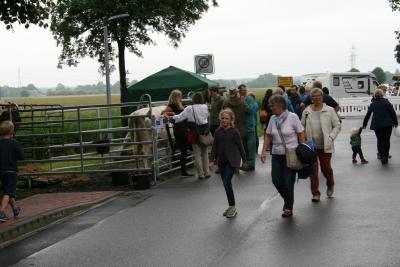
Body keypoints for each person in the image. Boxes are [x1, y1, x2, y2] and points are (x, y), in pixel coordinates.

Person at [260, 95, 305, 218]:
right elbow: (268, 135)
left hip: (291, 154)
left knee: (288, 182)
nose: (270, 107)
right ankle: (288, 199)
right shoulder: (272, 118)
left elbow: (301, 133)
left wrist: (302, 149)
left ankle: (288, 207)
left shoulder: (293, 117)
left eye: (272, 105)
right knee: (276, 180)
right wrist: (263, 151)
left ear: (280, 105)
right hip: (276, 154)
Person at [301, 88, 341, 202]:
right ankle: (315, 193)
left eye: (319, 96)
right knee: (313, 171)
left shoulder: (329, 110)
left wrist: (331, 137)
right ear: (311, 98)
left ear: (322, 97)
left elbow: (337, 125)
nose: (316, 98)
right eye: (314, 96)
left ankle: (330, 184)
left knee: (326, 169)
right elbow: (301, 126)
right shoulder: (306, 111)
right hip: (310, 146)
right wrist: (303, 140)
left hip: (325, 144)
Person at [210, 108, 247, 218]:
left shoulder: (234, 131)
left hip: (233, 161)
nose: (224, 120)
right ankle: (231, 206)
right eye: (223, 118)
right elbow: (214, 147)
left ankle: (233, 207)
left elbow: (240, 147)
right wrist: (211, 161)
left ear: (231, 120)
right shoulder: (217, 131)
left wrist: (244, 161)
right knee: (227, 184)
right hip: (222, 161)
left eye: (227, 118)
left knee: (226, 182)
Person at [171, 92, 210, 179]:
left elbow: (179, 117)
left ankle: (201, 174)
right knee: (205, 153)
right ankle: (207, 172)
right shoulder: (205, 107)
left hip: (194, 132)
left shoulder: (189, 108)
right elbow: (207, 117)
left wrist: (171, 117)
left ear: (193, 99)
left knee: (197, 154)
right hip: (204, 132)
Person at [162, 90, 193, 177]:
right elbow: (163, 113)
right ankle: (184, 171)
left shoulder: (181, 103)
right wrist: (173, 113)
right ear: (175, 97)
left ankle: (185, 170)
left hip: (185, 128)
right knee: (183, 150)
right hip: (179, 129)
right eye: (179, 96)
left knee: (186, 149)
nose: (181, 97)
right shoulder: (171, 105)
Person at [363, 89, 398, 165]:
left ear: (375, 95)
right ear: (382, 94)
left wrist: (364, 124)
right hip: (388, 125)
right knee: (387, 140)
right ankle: (386, 155)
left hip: (377, 125)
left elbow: (368, 115)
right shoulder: (386, 102)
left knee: (380, 140)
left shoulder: (373, 104)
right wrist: (396, 122)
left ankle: (382, 156)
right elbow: (392, 112)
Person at [0, 121, 25, 222]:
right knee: (8, 192)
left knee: (7, 190)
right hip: (11, 171)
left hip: (0, 171)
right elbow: (22, 156)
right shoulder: (14, 143)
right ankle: (1, 212)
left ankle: (15, 209)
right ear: (12, 131)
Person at [238, 84, 258, 171]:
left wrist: (244, 102)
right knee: (244, 146)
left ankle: (251, 164)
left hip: (250, 126)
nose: (244, 91)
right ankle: (245, 164)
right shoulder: (239, 99)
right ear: (239, 91)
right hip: (242, 126)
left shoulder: (250, 99)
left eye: (245, 90)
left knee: (251, 147)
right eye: (242, 90)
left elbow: (250, 110)